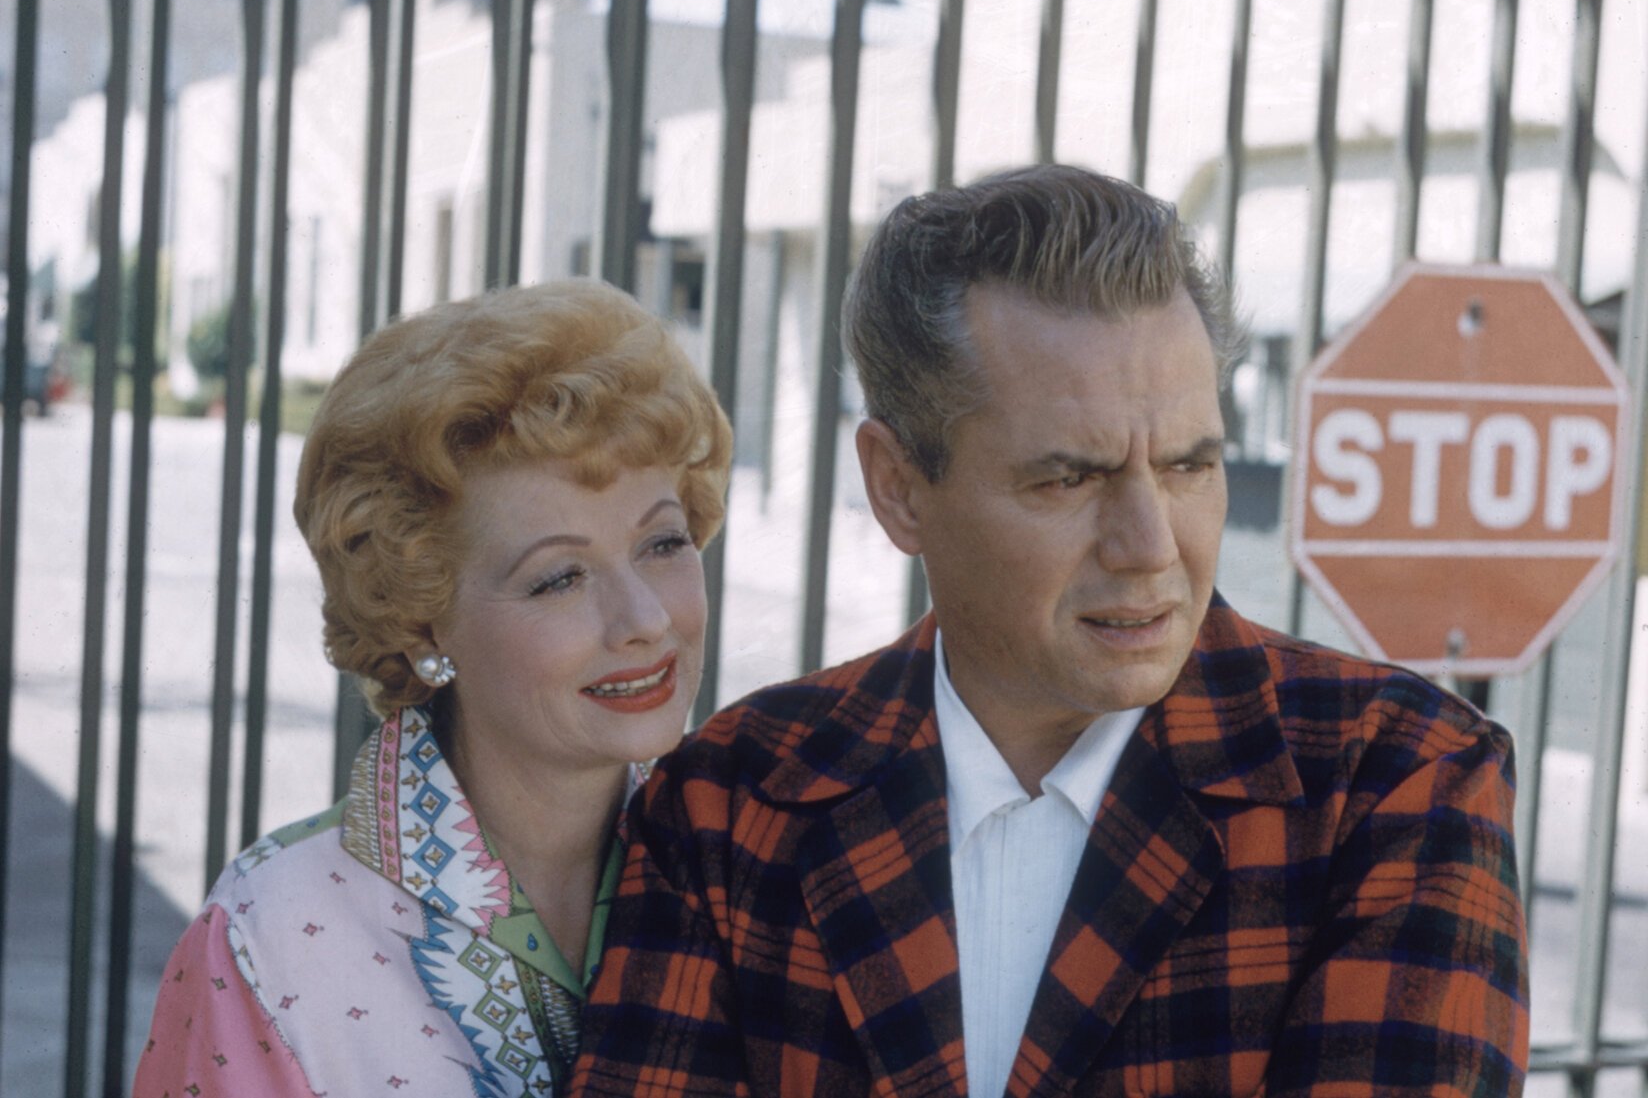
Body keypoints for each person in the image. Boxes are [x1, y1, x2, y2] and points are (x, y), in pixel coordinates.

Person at [572, 165, 1529, 1098]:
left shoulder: (1401, 780)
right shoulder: (732, 802)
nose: (1152, 547)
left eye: (1191, 466)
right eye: (1069, 479)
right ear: (898, 487)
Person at [135, 279, 731, 1098]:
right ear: (422, 621)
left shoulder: (747, 872)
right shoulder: (270, 934)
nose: (644, 618)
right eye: (558, 577)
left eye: (664, 541)